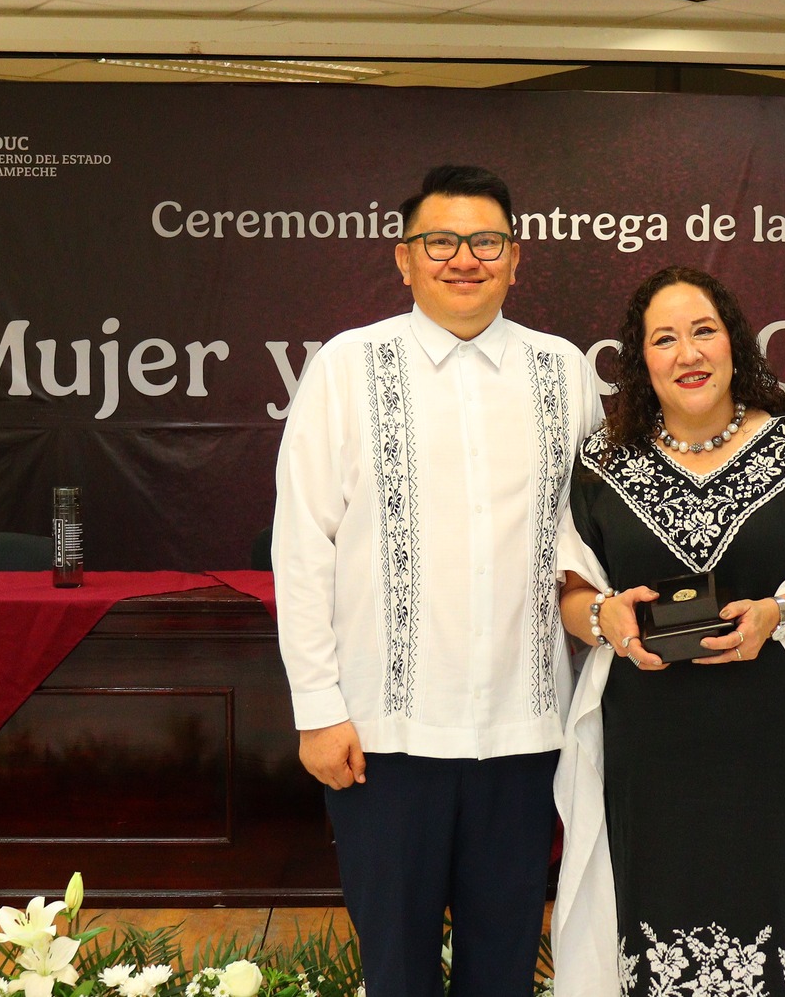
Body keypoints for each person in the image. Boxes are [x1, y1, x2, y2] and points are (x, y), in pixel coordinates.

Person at [273, 164, 602, 997]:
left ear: (515, 258)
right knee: (396, 972)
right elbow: (302, 545)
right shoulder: (348, 366)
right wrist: (318, 709)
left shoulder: (565, 371)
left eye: (486, 242)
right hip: (382, 740)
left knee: (503, 971)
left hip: (525, 733)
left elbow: (592, 538)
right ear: (404, 258)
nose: (464, 259)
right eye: (440, 241)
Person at [551, 266, 785, 997]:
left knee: (779, 937)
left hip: (781, 746)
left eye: (703, 331)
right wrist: (604, 615)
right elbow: (570, 591)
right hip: (650, 750)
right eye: (664, 339)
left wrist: (779, 615)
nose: (688, 354)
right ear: (640, 360)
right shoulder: (601, 462)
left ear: (734, 343)